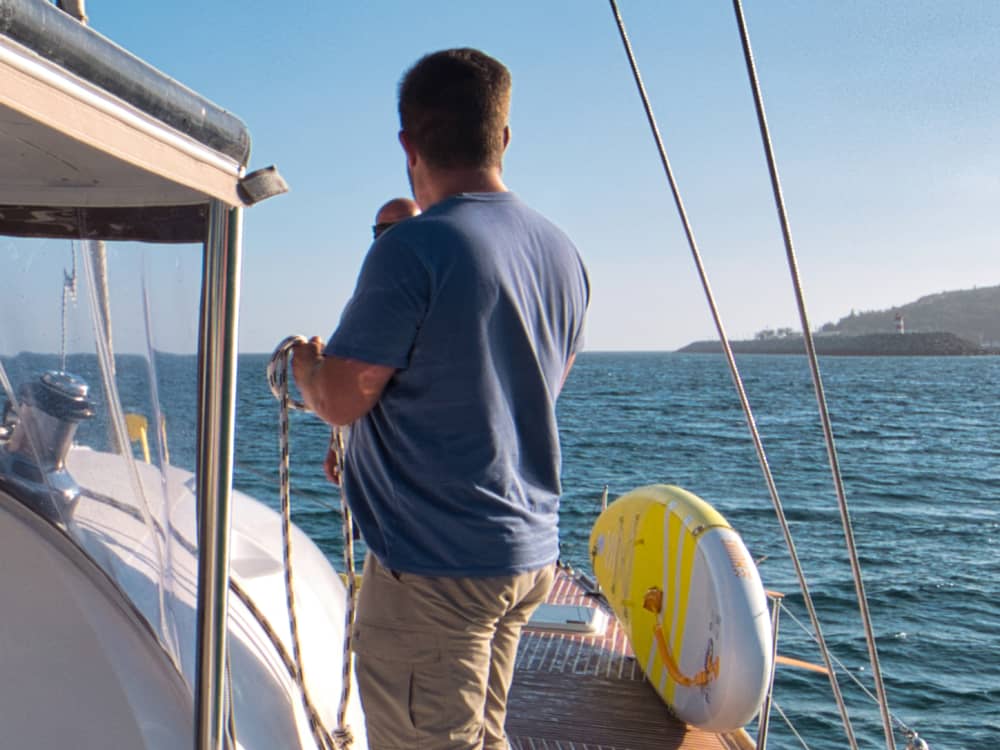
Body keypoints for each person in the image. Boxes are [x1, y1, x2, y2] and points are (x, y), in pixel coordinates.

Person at [291, 47, 589, 750]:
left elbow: (340, 398)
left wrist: (302, 363)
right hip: (524, 557)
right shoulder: (561, 253)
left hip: (436, 573)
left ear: (409, 144)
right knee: (483, 737)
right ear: (503, 136)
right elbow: (523, 389)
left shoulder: (414, 247)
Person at [323, 196, 421, 486]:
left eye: (405, 228)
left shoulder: (432, 295)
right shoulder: (364, 301)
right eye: (382, 231)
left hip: (411, 467)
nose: (391, 239)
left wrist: (307, 370)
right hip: (375, 464)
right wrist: (336, 444)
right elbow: (350, 377)